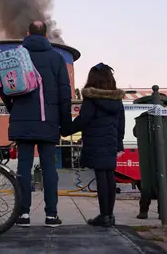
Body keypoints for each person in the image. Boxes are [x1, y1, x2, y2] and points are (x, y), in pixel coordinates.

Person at [0, 21, 72, 228]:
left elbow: (2, 87)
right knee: (49, 169)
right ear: (46, 35)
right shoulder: (56, 58)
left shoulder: (15, 56)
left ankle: (23, 214)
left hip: (23, 122)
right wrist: (65, 123)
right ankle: (51, 216)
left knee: (24, 168)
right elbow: (65, 94)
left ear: (28, 33)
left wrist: (14, 108)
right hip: (48, 121)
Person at [62, 63, 124, 227]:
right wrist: (119, 144)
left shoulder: (92, 99)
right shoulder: (117, 100)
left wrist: (66, 130)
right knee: (110, 176)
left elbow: (83, 120)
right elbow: (121, 124)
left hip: (96, 142)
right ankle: (109, 215)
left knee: (101, 177)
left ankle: (104, 215)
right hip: (110, 142)